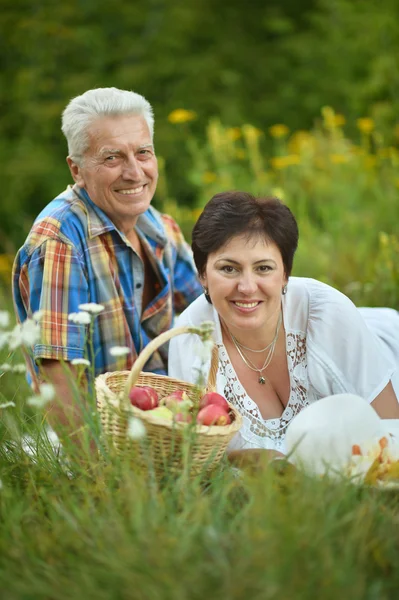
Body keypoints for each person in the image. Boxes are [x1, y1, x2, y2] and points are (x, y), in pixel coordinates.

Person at [12, 87, 202, 444]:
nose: (134, 173)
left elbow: (209, 314)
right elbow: (58, 377)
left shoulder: (158, 227)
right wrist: (100, 481)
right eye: (112, 158)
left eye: (143, 153)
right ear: (77, 169)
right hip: (103, 440)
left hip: (168, 426)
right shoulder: (61, 241)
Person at [168, 191, 399, 462]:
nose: (246, 287)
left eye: (263, 268)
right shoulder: (191, 338)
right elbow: (200, 458)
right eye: (229, 269)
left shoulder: (328, 316)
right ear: (203, 275)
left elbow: (390, 429)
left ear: (285, 274)